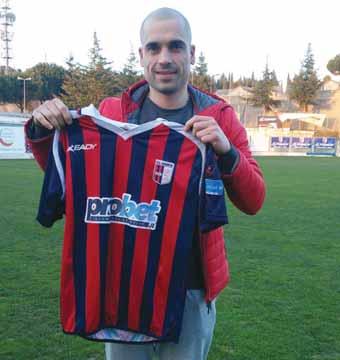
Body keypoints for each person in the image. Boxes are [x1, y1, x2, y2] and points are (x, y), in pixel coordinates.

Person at [25, 7, 265, 360]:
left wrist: (226, 152)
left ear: (192, 54)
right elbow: (74, 180)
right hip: (123, 283)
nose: (164, 58)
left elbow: (254, 199)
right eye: (154, 48)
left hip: (191, 290)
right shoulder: (109, 113)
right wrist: (41, 132)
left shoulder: (219, 116)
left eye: (175, 47)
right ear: (141, 55)